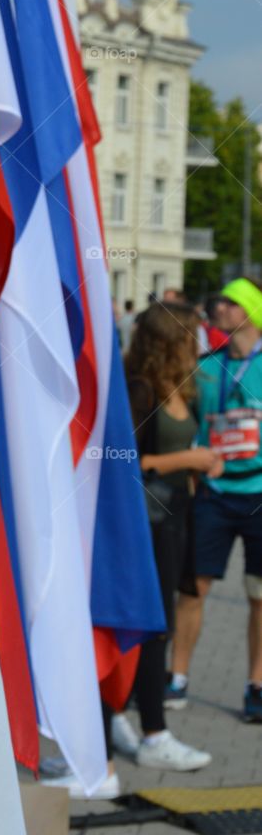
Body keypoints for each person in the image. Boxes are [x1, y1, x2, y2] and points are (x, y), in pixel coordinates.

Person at [121, 302, 215, 769]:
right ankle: (153, 733)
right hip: (151, 522)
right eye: (191, 335)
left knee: (169, 617)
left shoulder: (185, 387)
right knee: (152, 626)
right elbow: (126, 463)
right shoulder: (140, 389)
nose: (199, 343)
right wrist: (188, 462)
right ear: (169, 341)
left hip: (179, 515)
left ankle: (119, 714)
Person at [170, 277, 262, 723]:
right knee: (193, 587)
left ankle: (256, 684)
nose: (218, 307)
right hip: (214, 492)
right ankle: (177, 677)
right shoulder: (206, 366)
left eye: (228, 301)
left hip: (259, 493)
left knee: (259, 594)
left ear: (248, 310)